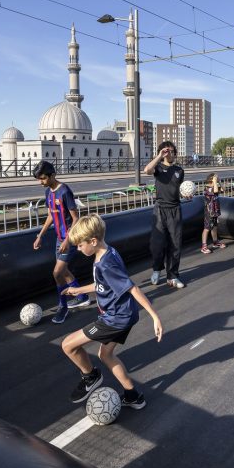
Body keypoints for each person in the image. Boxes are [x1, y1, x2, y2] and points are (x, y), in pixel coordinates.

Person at [61, 215, 164, 407]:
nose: (78, 249)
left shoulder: (106, 264)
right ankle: (133, 396)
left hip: (115, 319)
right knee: (106, 355)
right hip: (125, 314)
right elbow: (102, 284)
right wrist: (79, 289)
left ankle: (90, 376)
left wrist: (154, 316)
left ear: (93, 241)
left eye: (80, 245)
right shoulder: (108, 252)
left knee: (68, 345)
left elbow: (132, 287)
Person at [32, 160, 91, 324]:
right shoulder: (48, 193)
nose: (40, 182)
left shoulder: (64, 191)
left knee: (57, 273)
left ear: (52, 175)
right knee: (63, 272)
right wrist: (40, 235)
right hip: (60, 239)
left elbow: (75, 218)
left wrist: (67, 240)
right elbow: (51, 215)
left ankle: (63, 306)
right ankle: (82, 296)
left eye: (43, 178)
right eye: (39, 179)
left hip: (70, 238)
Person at [145, 141, 185, 288]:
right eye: (167, 152)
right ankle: (156, 270)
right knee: (157, 244)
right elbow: (147, 170)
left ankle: (173, 276)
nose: (170, 154)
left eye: (172, 151)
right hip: (160, 209)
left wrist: (185, 195)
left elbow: (177, 189)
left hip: (175, 209)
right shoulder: (158, 167)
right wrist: (159, 156)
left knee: (175, 245)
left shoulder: (179, 170)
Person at [201, 173, 226, 254]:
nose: (217, 179)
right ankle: (204, 246)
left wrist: (219, 182)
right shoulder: (207, 189)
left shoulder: (214, 186)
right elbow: (215, 191)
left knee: (214, 227)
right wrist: (215, 182)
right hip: (209, 212)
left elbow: (223, 190)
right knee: (207, 228)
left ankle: (215, 242)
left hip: (215, 211)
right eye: (216, 178)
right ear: (212, 179)